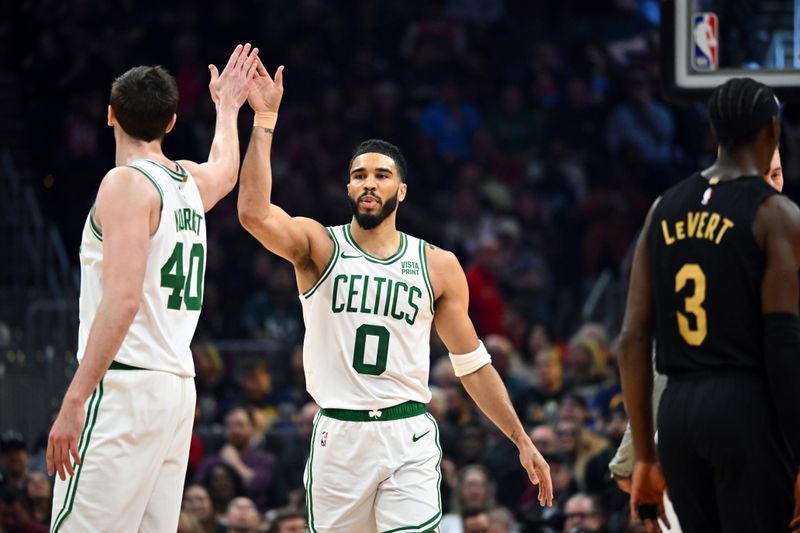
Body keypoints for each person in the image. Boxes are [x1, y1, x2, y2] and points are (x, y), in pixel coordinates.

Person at [237, 58, 553, 532]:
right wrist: (264, 121)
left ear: (401, 191)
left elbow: (471, 362)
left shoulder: (437, 265)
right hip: (338, 435)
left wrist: (520, 438)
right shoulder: (321, 247)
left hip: (406, 431)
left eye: (381, 175)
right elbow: (254, 214)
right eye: (360, 174)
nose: (369, 182)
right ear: (348, 186)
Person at [45, 44, 259, 532]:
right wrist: (229, 108)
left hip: (125, 386)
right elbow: (226, 171)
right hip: (175, 390)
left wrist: (75, 399)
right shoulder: (185, 181)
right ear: (170, 122)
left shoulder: (124, 184)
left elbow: (122, 299)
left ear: (110, 116)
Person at [619, 78, 800, 532]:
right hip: (746, 406)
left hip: (678, 413)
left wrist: (644, 455)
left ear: (714, 132)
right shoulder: (774, 212)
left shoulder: (663, 207)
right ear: (771, 130)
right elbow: (783, 344)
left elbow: (632, 338)